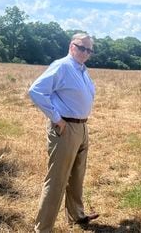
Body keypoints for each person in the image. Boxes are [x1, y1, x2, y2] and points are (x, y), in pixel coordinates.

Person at [29, 33, 99, 232]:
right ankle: (43, 228)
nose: (85, 52)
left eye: (89, 50)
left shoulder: (82, 70)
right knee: (57, 179)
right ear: (71, 46)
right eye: (82, 48)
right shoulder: (62, 66)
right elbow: (36, 91)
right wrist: (56, 118)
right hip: (65, 128)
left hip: (81, 127)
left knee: (77, 174)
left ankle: (76, 215)